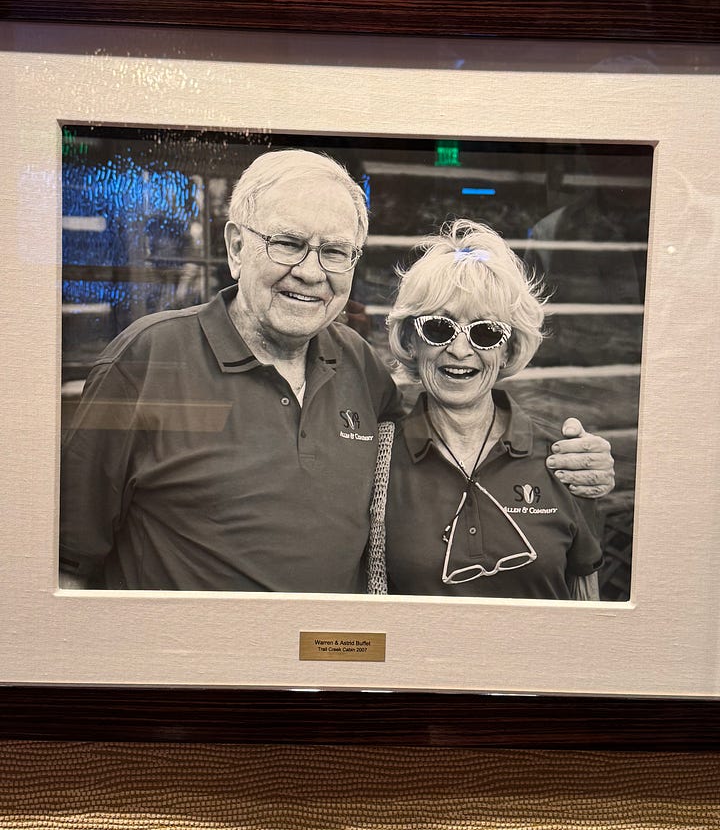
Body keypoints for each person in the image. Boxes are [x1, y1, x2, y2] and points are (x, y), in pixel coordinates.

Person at [60, 150, 613, 592]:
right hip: (191, 684)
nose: (310, 272)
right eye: (288, 244)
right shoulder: (147, 360)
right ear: (236, 247)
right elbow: (66, 564)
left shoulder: (356, 364)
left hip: (331, 680)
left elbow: (454, 431)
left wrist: (578, 463)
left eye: (334, 252)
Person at [379, 219, 604, 599]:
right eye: (439, 328)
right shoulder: (378, 464)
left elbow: (587, 601)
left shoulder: (564, 461)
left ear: (508, 349)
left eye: (485, 332)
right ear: (410, 339)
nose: (460, 350)